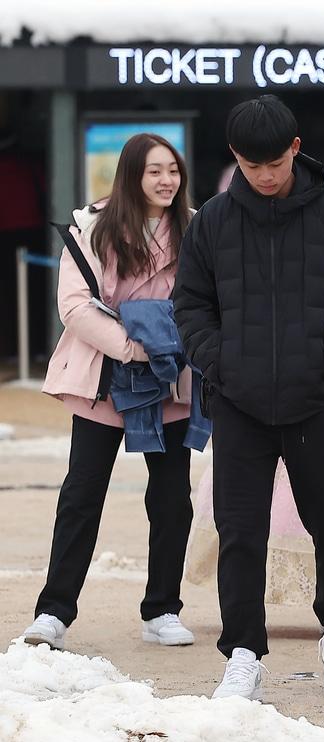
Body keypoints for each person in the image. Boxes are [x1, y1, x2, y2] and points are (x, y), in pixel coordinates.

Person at [174, 95, 324, 701]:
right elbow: (190, 305)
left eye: (275, 162)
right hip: (237, 403)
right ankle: (242, 650)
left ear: (295, 150)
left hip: (315, 399)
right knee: (240, 531)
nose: (265, 176)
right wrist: (220, 362)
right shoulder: (211, 220)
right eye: (251, 164)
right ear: (236, 157)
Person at [22, 133, 201, 651]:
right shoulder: (92, 228)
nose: (167, 180)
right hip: (106, 374)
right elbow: (74, 305)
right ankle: (54, 611)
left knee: (171, 498)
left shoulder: (196, 227)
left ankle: (163, 608)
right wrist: (136, 347)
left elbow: (206, 299)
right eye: (155, 171)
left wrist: (168, 346)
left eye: (173, 170)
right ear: (131, 176)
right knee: (82, 493)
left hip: (170, 380)